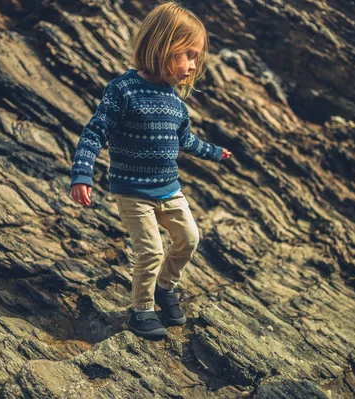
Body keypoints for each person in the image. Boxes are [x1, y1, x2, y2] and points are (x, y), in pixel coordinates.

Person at [69, 1, 232, 340]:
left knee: (189, 238)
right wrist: (82, 174)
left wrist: (216, 153)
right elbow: (94, 132)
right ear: (160, 45)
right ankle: (141, 311)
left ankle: (165, 288)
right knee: (151, 251)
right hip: (131, 191)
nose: (191, 66)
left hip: (169, 189)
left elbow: (186, 141)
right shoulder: (123, 90)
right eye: (186, 55)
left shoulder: (176, 103)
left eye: (196, 58)